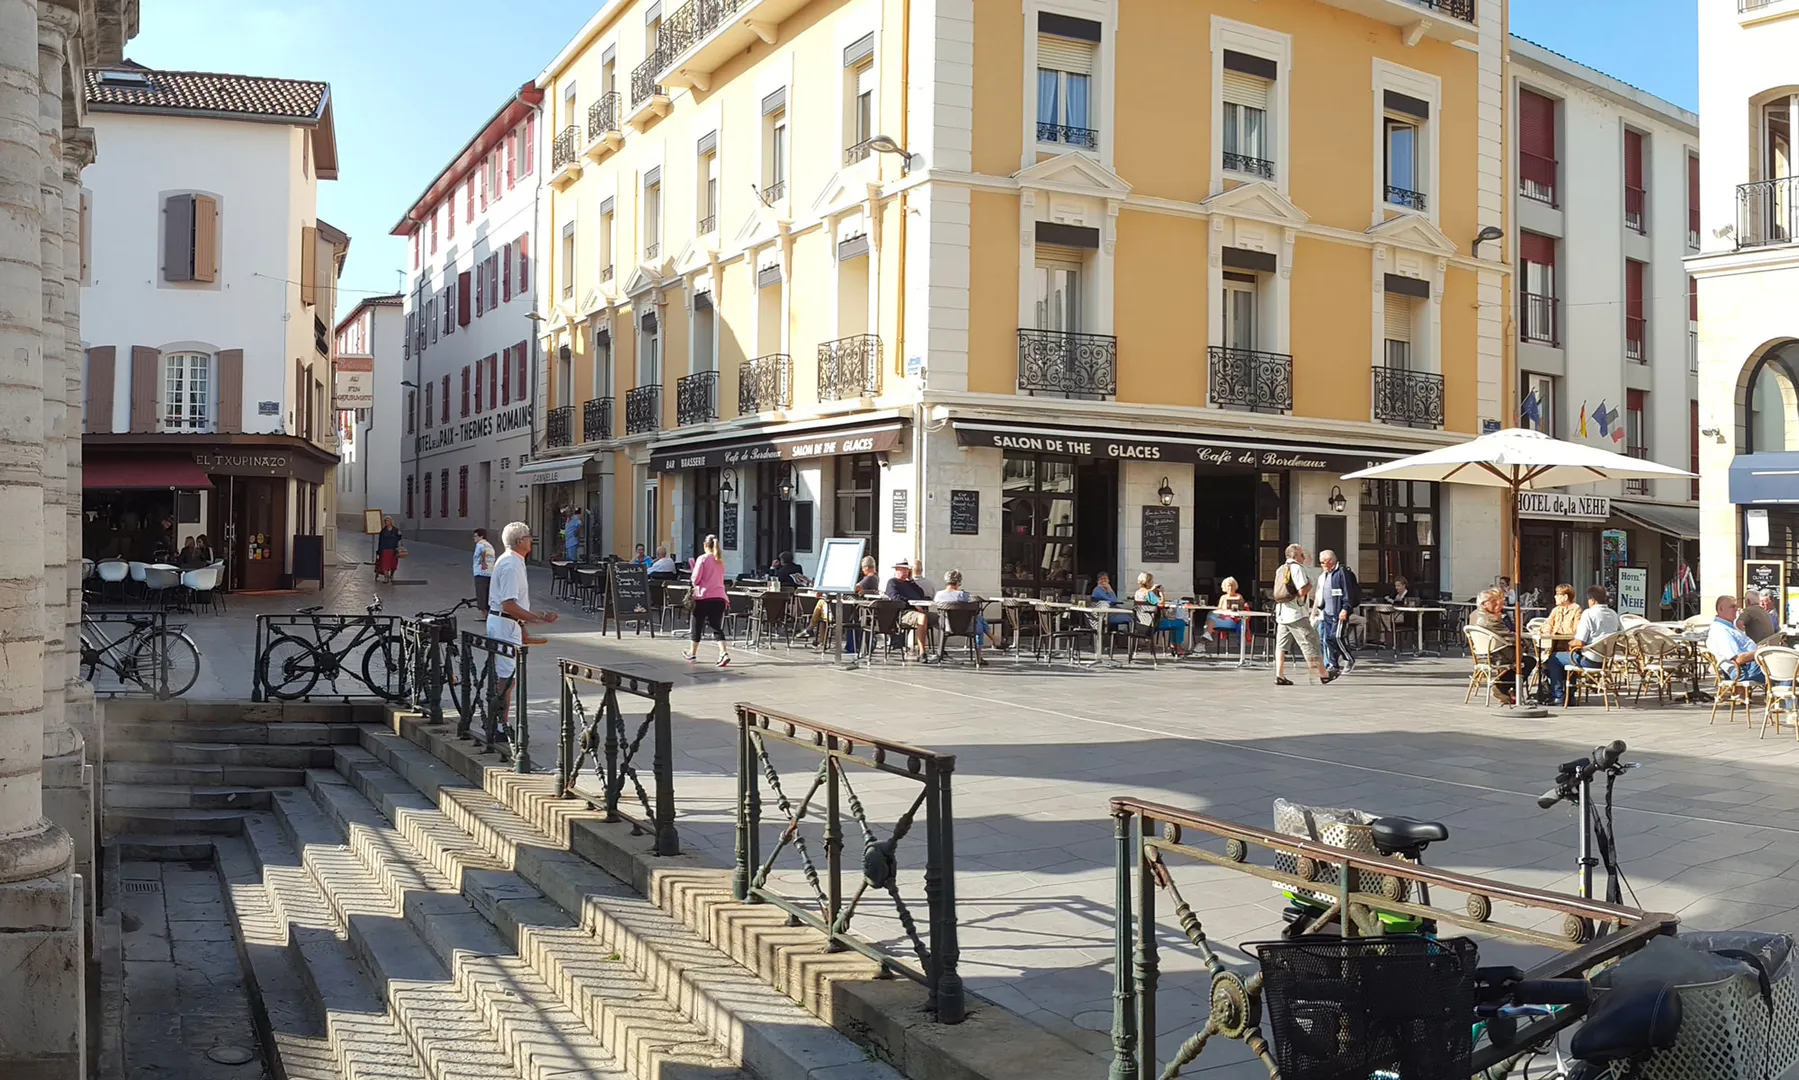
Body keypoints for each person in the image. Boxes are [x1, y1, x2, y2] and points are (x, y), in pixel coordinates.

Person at [487, 522, 559, 734]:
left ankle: (501, 722)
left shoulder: (515, 561)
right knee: (506, 676)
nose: (531, 540)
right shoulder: (510, 564)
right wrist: (540, 617)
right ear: (519, 541)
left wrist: (522, 628)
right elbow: (509, 604)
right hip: (504, 623)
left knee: (509, 676)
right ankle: (501, 725)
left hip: (509, 623)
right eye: (528, 537)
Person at [1542, 586, 1623, 705]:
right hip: (1607, 660)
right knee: (1572, 656)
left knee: (1555, 658)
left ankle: (1559, 695)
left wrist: (1571, 643)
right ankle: (1570, 696)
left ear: (1592, 601)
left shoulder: (1588, 613)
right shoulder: (1614, 615)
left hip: (1589, 659)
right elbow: (1621, 635)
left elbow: (1579, 642)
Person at [1273, 544, 1332, 686]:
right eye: (1301, 555)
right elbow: (1301, 592)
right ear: (1294, 556)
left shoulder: (1281, 569)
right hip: (1296, 614)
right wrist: (1310, 585)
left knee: (1281, 645)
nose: (1304, 558)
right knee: (1311, 642)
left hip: (1281, 613)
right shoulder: (1297, 568)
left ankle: (1279, 675)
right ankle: (1322, 674)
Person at [1468, 586, 1534, 705]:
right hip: (1498, 655)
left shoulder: (1474, 614)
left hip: (1482, 655)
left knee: (1522, 660)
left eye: (1499, 601)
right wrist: (1526, 642)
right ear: (1484, 605)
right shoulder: (1490, 619)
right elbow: (1510, 637)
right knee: (1528, 661)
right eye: (1493, 602)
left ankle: (1509, 690)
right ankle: (1501, 687)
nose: (1498, 604)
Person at [684, 534, 732, 667]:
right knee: (716, 626)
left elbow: (696, 578)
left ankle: (692, 652)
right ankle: (723, 652)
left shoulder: (703, 558)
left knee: (697, 624)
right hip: (720, 597)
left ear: (705, 545)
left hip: (703, 596)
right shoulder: (720, 560)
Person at [933, 569, 997, 659]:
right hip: (967, 627)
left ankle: (994, 639)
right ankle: (979, 656)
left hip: (946, 626)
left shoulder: (938, 595)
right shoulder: (962, 595)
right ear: (959, 582)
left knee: (980, 620)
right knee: (980, 626)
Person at [1314, 550, 1358, 677]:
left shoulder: (1341, 573)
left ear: (1331, 561)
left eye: (1323, 562)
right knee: (1327, 639)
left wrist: (1345, 608)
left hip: (1339, 612)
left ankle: (1348, 658)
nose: (1321, 565)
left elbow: (1347, 593)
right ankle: (1333, 664)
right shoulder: (1327, 574)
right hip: (1327, 612)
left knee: (1336, 637)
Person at [1710, 594, 1767, 687]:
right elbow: (1739, 659)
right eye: (1732, 606)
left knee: (1788, 669)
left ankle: (1783, 697)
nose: (1736, 609)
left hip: (1751, 666)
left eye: (1736, 606)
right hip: (1744, 670)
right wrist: (1758, 652)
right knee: (1786, 672)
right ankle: (1785, 698)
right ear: (1721, 609)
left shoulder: (1729, 627)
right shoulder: (1721, 630)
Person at [1132, 572, 1188, 655]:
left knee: (1175, 623)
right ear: (1148, 582)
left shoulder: (1137, 593)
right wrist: (1161, 593)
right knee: (1180, 623)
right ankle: (1177, 647)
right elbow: (1161, 604)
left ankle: (1174, 645)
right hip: (1154, 624)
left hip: (1141, 624)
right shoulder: (1148, 593)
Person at [885, 561, 931, 658]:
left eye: (907, 569)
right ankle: (922, 652)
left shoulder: (910, 584)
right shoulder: (892, 582)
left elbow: (920, 594)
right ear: (897, 570)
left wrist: (911, 581)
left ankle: (941, 650)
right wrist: (913, 605)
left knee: (941, 618)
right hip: (904, 612)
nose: (905, 572)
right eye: (903, 569)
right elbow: (895, 598)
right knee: (922, 617)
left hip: (918, 610)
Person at [1209, 577, 1248, 644]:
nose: (1230, 588)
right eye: (1228, 586)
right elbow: (1218, 609)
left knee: (1241, 624)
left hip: (1236, 620)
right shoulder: (1223, 597)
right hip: (1225, 619)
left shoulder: (1239, 596)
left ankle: (1241, 644)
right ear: (1225, 587)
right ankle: (1207, 635)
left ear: (1235, 586)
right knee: (1211, 616)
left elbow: (1243, 609)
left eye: (1232, 585)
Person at [471, 528, 496, 613]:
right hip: (490, 572)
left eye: (475, 536)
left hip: (480, 572)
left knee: (481, 593)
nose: (474, 538)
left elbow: (483, 551)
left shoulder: (480, 544)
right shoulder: (489, 545)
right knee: (487, 593)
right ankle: (489, 612)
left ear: (481, 536)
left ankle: (484, 614)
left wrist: (483, 561)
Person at [375, 516, 403, 583]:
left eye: (387, 521)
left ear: (391, 521)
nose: (386, 522)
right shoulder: (383, 531)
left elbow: (400, 538)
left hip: (393, 550)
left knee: (393, 565)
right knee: (385, 565)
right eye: (385, 521)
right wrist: (379, 550)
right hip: (385, 549)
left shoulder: (396, 530)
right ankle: (386, 577)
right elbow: (380, 540)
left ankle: (391, 576)